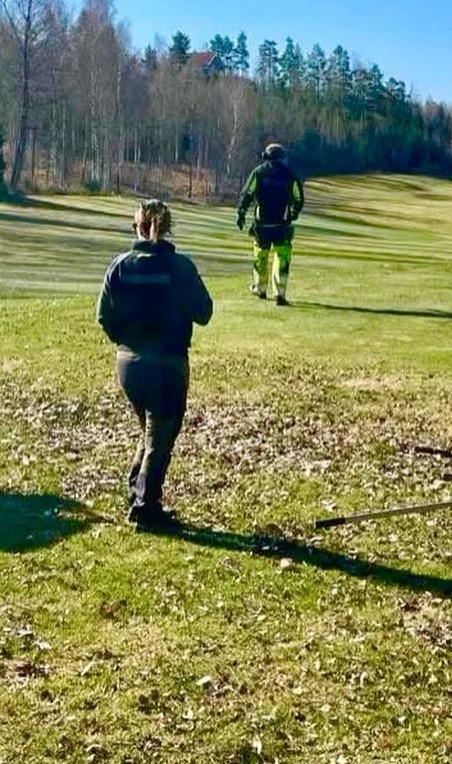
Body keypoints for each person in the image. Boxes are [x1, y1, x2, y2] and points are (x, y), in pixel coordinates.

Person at [97, 200, 214, 531]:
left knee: (150, 431)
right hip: (168, 363)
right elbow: (204, 312)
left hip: (129, 364)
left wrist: (126, 341)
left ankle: (136, 492)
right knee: (160, 438)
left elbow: (104, 316)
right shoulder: (180, 267)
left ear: (135, 227)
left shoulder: (120, 266)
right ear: (168, 228)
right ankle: (146, 509)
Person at [236, 142, 304, 304]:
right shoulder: (290, 175)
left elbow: (247, 194)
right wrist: (293, 213)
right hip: (281, 225)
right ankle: (280, 293)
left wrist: (241, 213)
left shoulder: (259, 173)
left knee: (260, 256)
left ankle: (260, 289)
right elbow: (299, 198)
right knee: (282, 258)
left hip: (262, 225)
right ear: (281, 157)